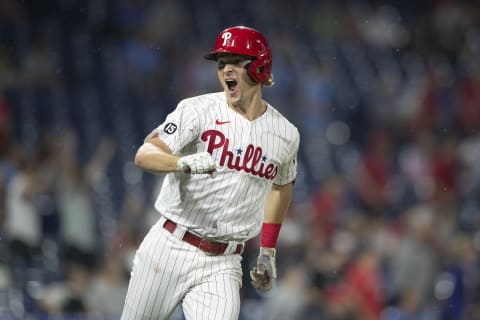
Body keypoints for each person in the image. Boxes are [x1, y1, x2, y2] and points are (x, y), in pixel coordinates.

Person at [121, 25, 300, 320]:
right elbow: (144, 154)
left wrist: (268, 251)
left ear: (259, 67)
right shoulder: (197, 110)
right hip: (170, 246)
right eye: (221, 63)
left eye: (235, 61)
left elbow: (281, 186)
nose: (226, 69)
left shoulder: (286, 134)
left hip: (225, 262)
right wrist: (182, 163)